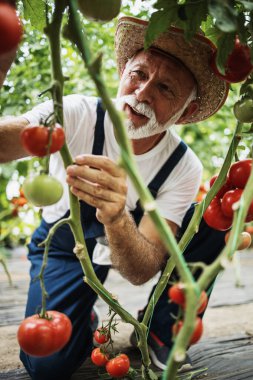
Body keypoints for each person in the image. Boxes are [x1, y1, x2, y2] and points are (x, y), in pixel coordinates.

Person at [0, 15, 248, 380]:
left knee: (212, 221)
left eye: (165, 89)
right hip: (65, 245)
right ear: (121, 72)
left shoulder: (182, 166)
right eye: (138, 74)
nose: (143, 93)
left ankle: (161, 333)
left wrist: (116, 216)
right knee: (47, 365)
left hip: (131, 245)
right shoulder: (76, 114)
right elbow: (11, 140)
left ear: (188, 111)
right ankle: (83, 314)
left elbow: (140, 270)